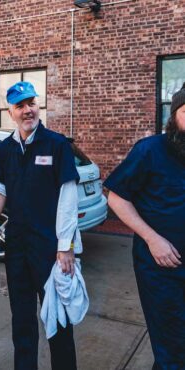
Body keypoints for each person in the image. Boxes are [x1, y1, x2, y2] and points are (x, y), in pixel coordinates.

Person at [0, 81, 80, 370]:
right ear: (10, 112)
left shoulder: (57, 144)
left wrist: (66, 246)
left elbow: (68, 198)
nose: (28, 111)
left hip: (50, 248)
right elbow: (0, 191)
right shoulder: (6, 148)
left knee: (58, 319)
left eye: (32, 104)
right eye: (20, 106)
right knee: (21, 319)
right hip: (17, 246)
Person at [104, 83, 185, 369]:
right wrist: (153, 239)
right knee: (172, 344)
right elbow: (116, 197)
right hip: (160, 266)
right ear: (174, 115)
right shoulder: (150, 150)